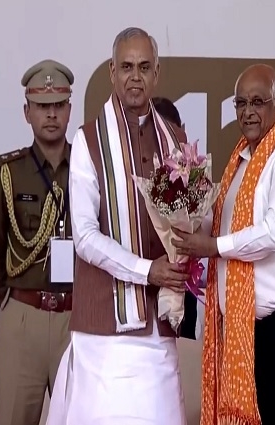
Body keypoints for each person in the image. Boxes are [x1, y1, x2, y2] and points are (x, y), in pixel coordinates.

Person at [45, 27, 189, 425]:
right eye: (126, 67)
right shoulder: (88, 140)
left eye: (143, 67)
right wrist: (147, 270)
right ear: (112, 71)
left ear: (156, 72)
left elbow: (190, 220)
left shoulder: (176, 140)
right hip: (103, 332)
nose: (134, 77)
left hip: (158, 328)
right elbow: (85, 237)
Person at [172, 64, 275, 425]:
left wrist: (212, 246)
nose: (248, 112)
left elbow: (271, 234)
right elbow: (220, 223)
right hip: (248, 332)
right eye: (241, 103)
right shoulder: (240, 159)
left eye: (258, 102)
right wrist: (181, 214)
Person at [0, 59, 74, 425]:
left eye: (58, 105)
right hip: (23, 315)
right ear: (26, 112)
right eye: (41, 106)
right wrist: (12, 309)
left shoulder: (88, 169)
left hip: (77, 319)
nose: (51, 114)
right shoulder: (7, 173)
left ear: (69, 109)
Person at [151, 95, 199, 340]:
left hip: (184, 292)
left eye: (172, 135)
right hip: (143, 293)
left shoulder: (196, 180)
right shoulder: (138, 181)